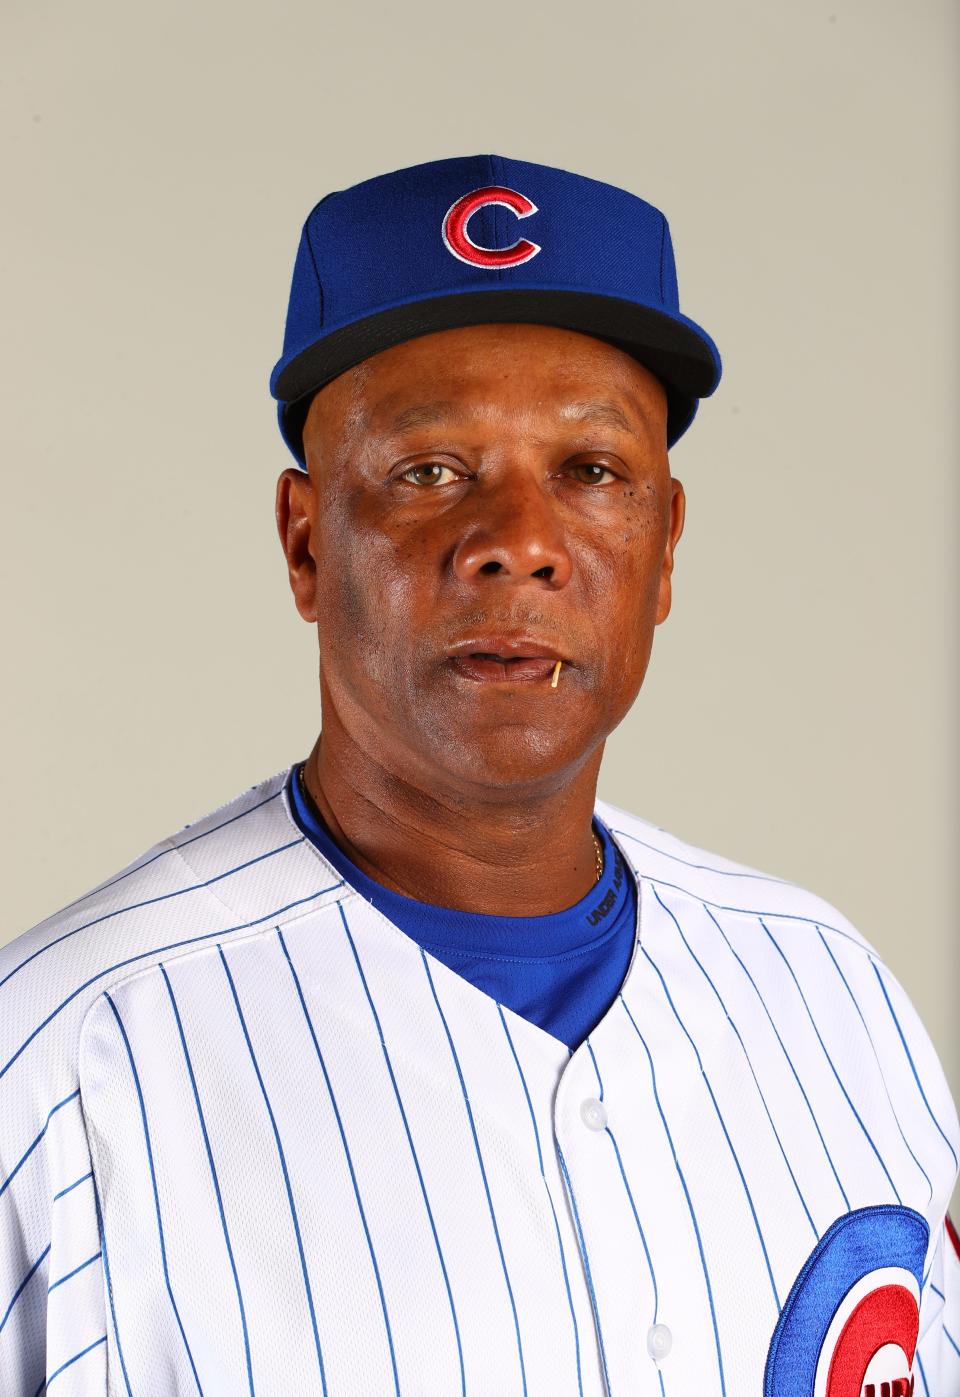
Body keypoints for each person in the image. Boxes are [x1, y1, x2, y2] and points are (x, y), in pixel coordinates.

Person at [2, 153, 957, 1396]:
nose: (516, 542)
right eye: (430, 471)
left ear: (664, 546)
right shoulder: (62, 1062)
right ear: (304, 542)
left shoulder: (838, 999)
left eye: (592, 472)